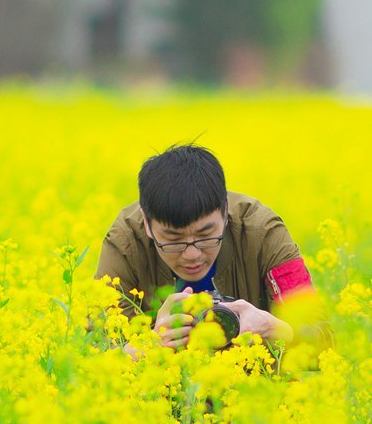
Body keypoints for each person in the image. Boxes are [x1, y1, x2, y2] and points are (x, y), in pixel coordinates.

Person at [94, 142, 317, 356]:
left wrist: (274, 329)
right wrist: (149, 346)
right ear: (146, 224)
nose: (192, 255)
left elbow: (325, 340)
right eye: (173, 239)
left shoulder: (262, 232)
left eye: (205, 235)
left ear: (225, 212)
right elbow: (96, 358)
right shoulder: (126, 242)